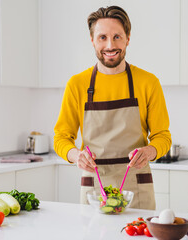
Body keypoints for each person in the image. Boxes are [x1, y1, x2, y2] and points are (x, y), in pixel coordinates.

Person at [53, 6, 171, 210]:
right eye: (102, 37)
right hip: (94, 187)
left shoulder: (148, 82)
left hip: (137, 185)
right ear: (92, 40)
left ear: (128, 38)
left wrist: (150, 151)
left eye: (117, 36)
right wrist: (76, 156)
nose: (110, 45)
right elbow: (61, 137)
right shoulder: (77, 84)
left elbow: (163, 136)